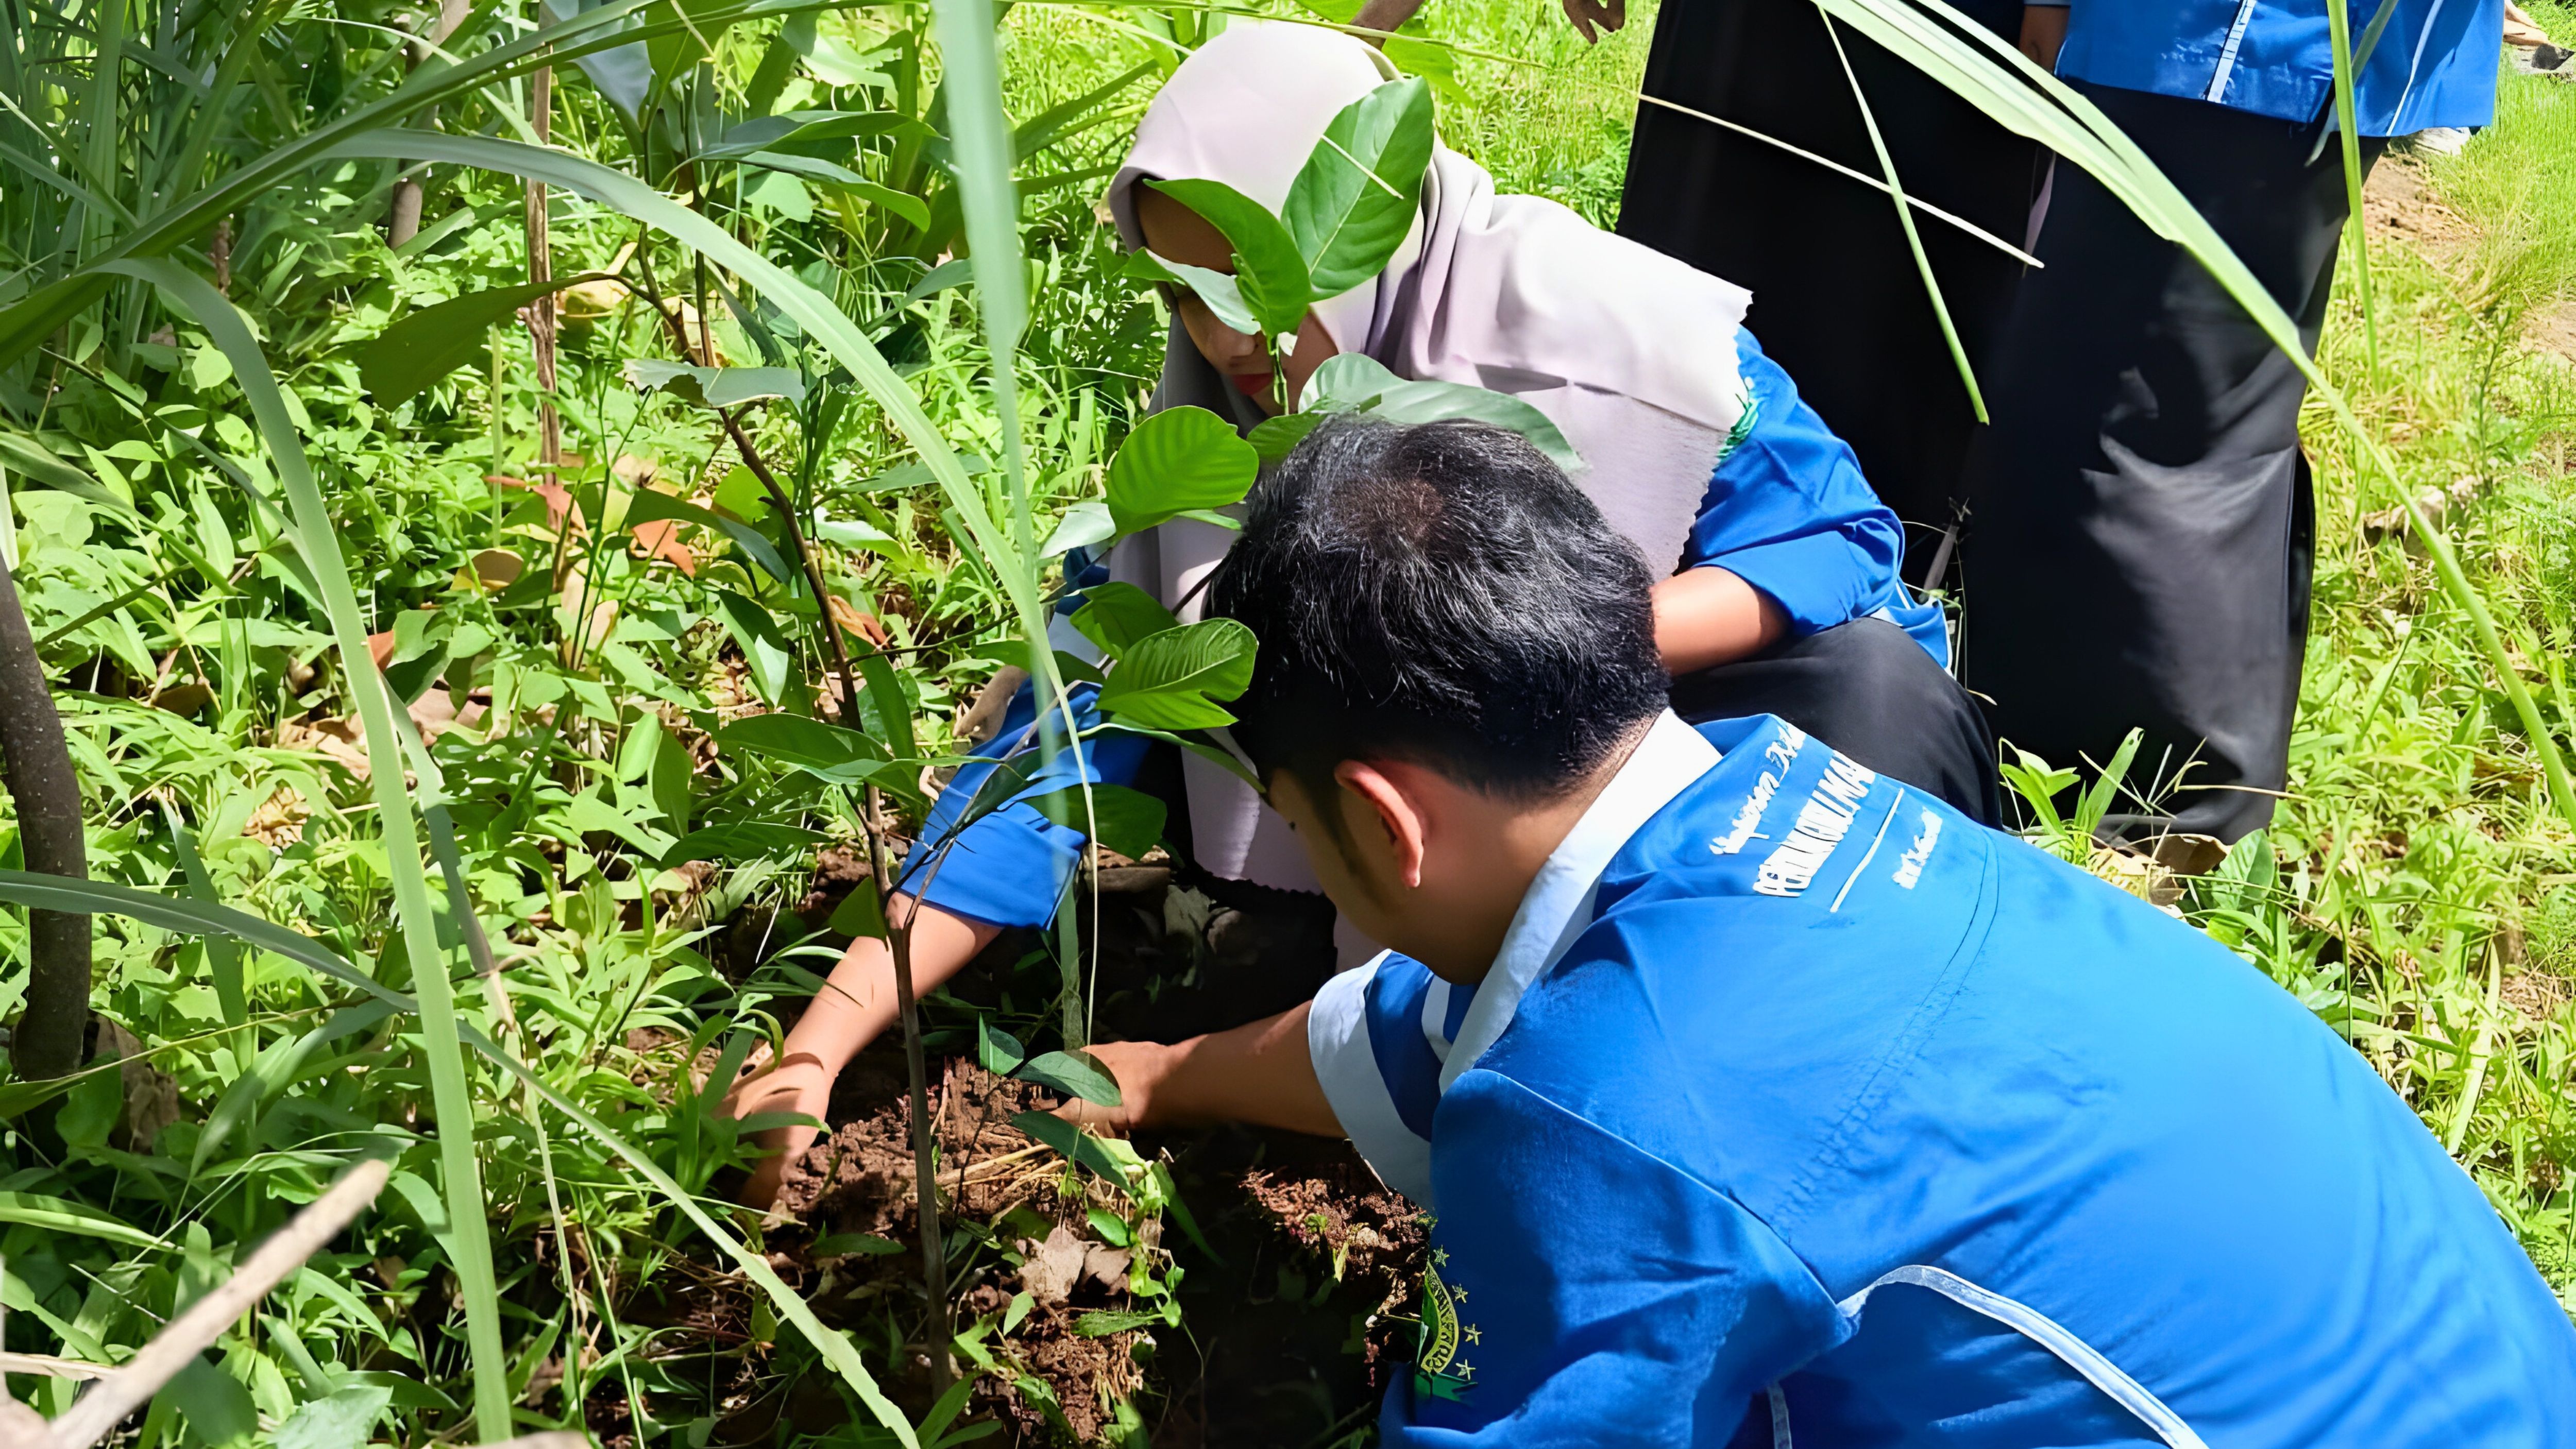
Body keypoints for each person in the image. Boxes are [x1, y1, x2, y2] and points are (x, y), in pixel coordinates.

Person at [1069, 415, 2576, 1445]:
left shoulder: (1603, 1119)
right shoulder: (1782, 812)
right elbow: (1417, 1029)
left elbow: (1573, 1121)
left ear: (1384, 825)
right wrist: (1166, 1070)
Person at [720, 20, 1996, 1204]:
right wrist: (822, 1038)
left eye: (1252, 282)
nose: (1225, 339)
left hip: (1670, 745)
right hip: (1443, 833)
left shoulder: (1628, 342)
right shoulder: (1210, 453)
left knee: (1867, 691)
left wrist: (1552, 650)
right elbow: (1057, 747)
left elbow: (1830, 539)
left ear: (1374, 223)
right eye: (1183, 291)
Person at [1960, 0, 2504, 843]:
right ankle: (2190, 800)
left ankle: (2137, 814)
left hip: (2225, 40)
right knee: (2207, 422)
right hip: (2303, 57)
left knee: (2124, 419)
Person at [1612, 0, 2039, 575]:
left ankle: (1866, 570)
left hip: (1944, 45)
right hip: (1741, 35)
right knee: (1704, 233)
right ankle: (1644, 536)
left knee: (1892, 279)